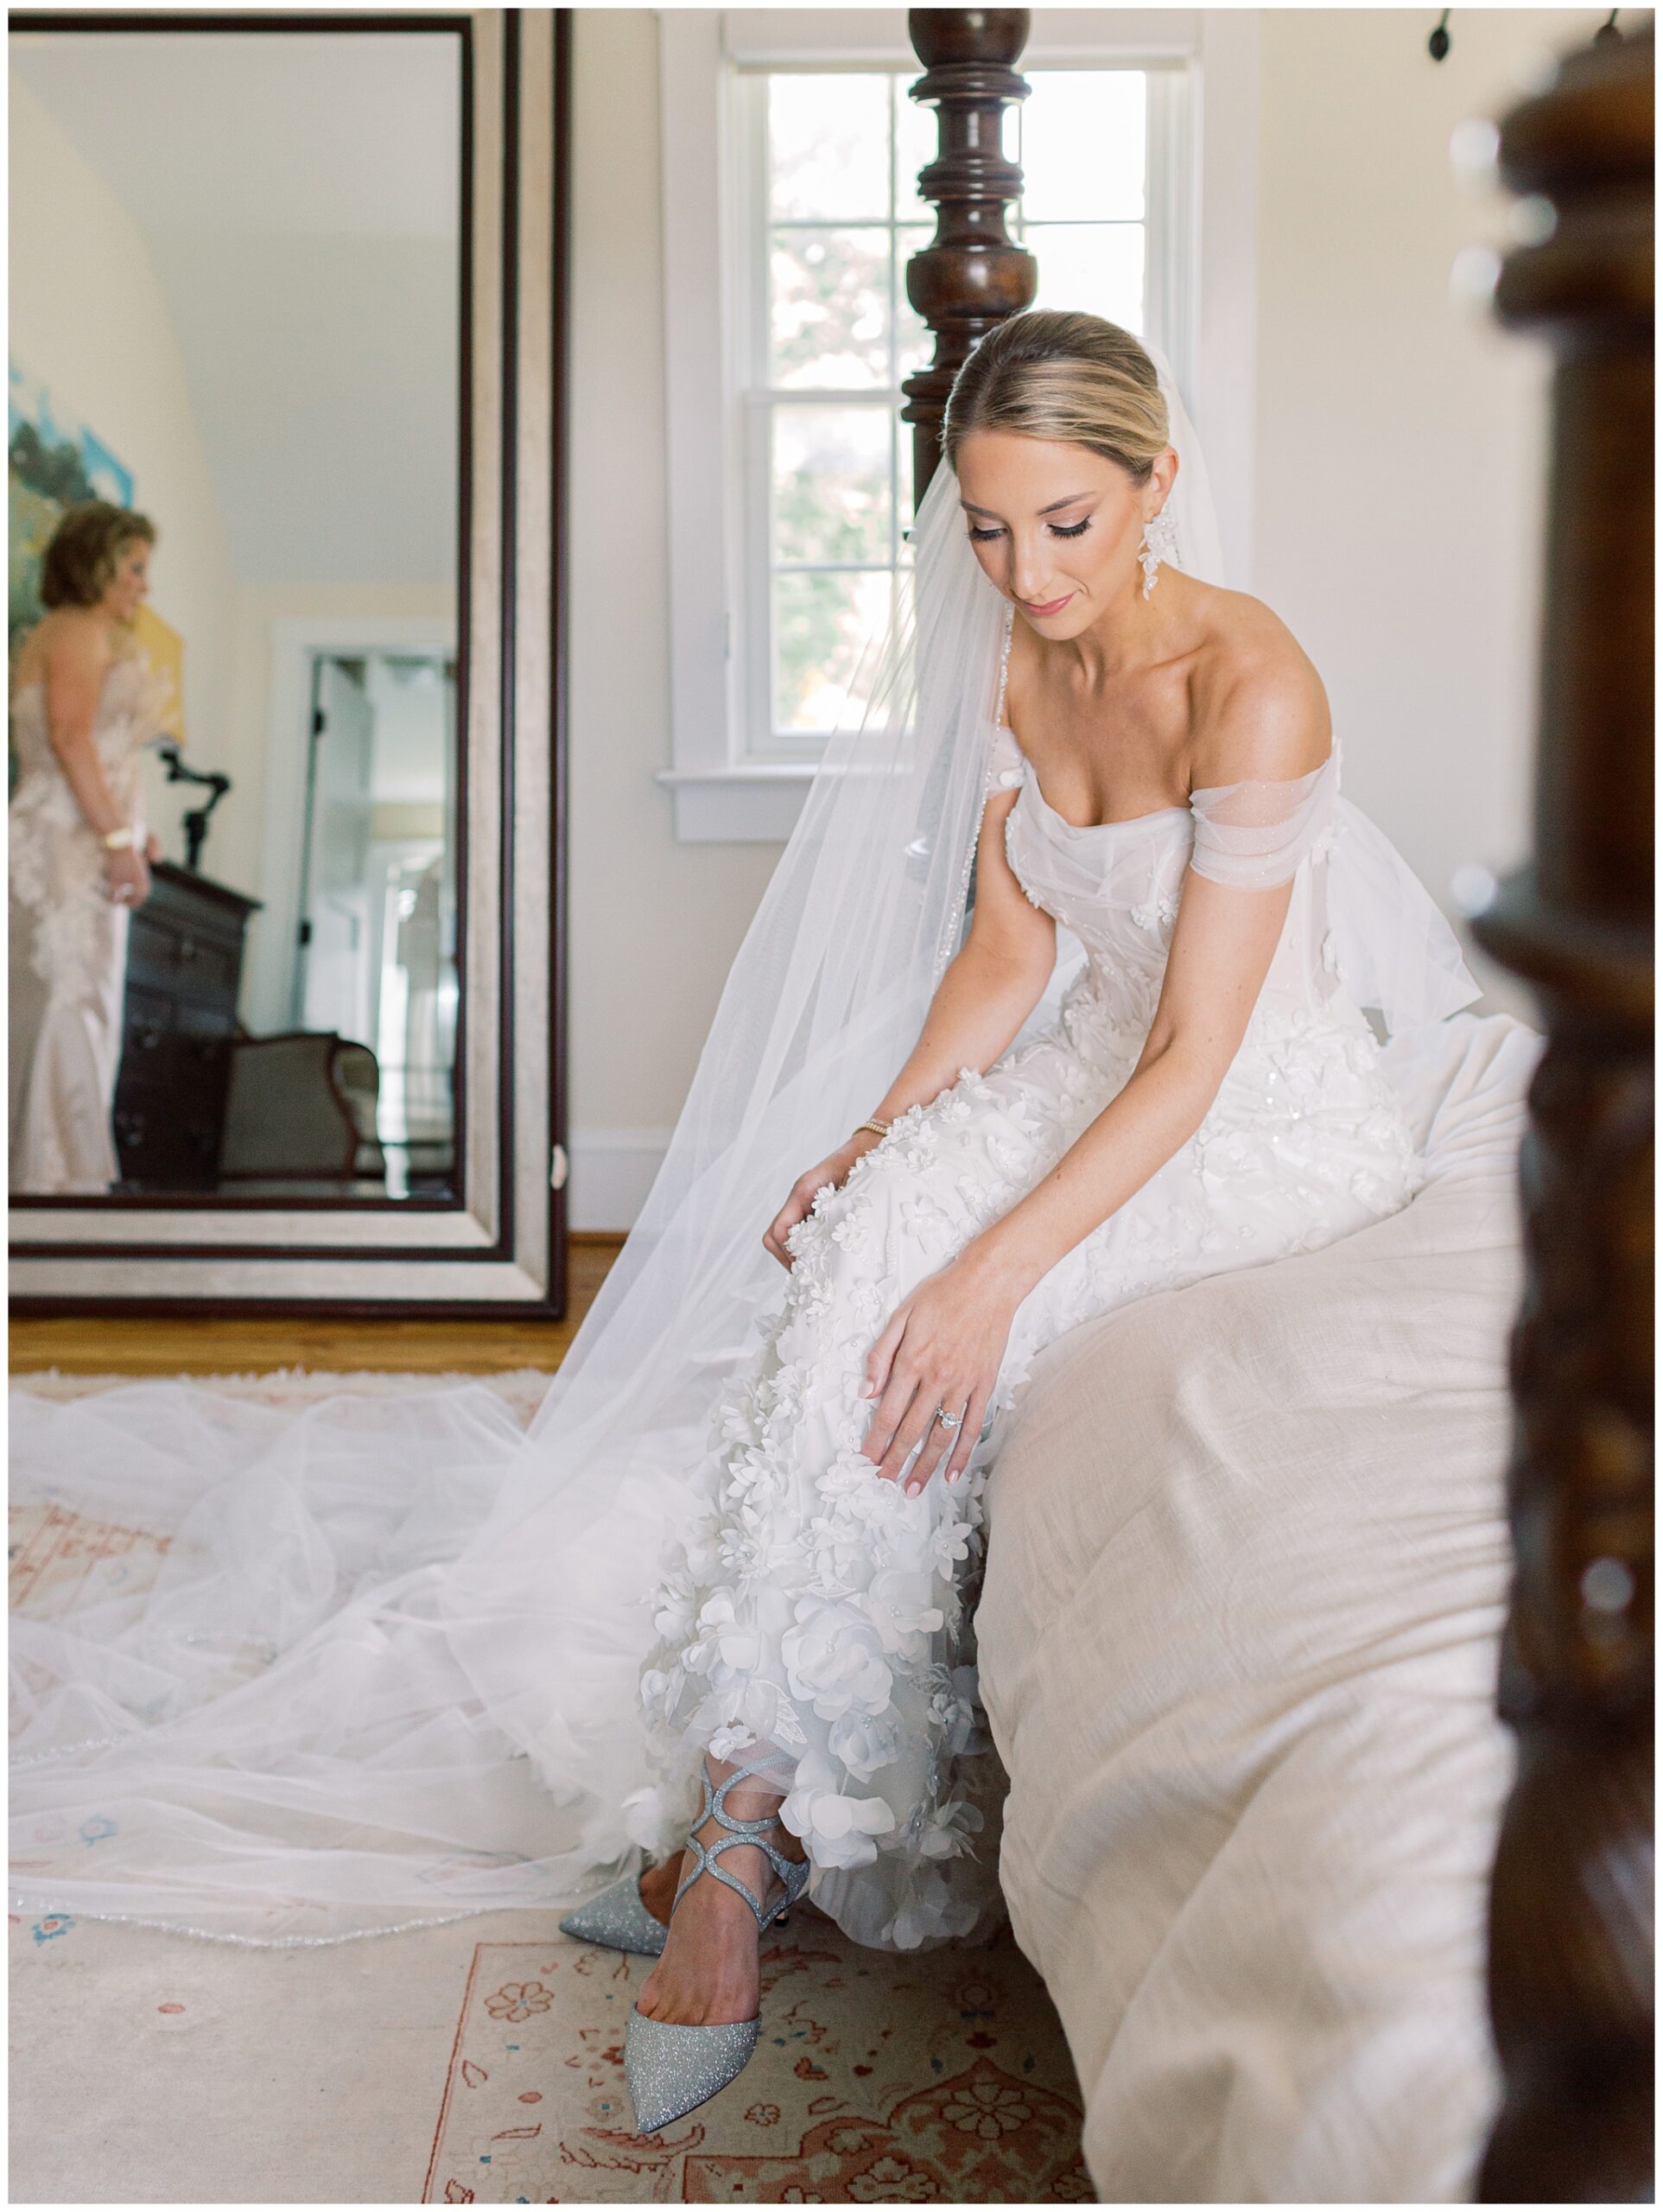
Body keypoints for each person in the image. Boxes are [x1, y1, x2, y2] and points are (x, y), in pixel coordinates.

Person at [8, 317, 1484, 2137]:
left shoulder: (1248, 682)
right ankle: (733, 1827)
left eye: (1068, 526)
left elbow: (1189, 1053)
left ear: (1155, 485)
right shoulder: (1019, 675)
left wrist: (993, 1268)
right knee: (858, 1248)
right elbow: (1010, 949)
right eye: (987, 532)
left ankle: (729, 1863)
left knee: (937, 1303)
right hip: (1090, 1064)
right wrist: (872, 1136)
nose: (1023, 576)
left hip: (1244, 1114)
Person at [10, 501, 172, 1193]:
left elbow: (102, 759)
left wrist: (134, 831)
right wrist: (114, 839)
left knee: (76, 1000)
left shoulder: (90, 635)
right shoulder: (74, 631)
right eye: (133, 568)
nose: (144, 584)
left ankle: (57, 1175)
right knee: (64, 1002)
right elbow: (72, 742)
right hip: (63, 847)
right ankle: (49, 1183)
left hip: (84, 836)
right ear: (97, 564)